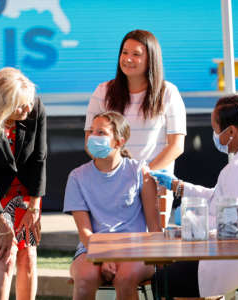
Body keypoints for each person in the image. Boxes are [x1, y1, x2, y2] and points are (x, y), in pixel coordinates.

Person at [151, 93, 238, 297]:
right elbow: (221, 197)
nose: (216, 136)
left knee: (164, 281)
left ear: (231, 131)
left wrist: (196, 228)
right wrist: (179, 187)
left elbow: (237, 224)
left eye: (216, 130)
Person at [84, 29, 186, 224]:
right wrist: (116, 174)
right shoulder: (102, 91)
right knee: (113, 242)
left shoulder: (168, 92)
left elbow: (176, 146)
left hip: (154, 181)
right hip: (113, 182)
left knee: (153, 244)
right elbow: (91, 142)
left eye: (136, 54)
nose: (128, 59)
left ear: (151, 59)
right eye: (124, 52)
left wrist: (142, 174)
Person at [64, 111, 161, 300]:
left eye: (101, 133)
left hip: (136, 250)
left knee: (125, 278)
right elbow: (85, 234)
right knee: (84, 279)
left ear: (119, 141)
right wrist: (104, 256)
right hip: (92, 249)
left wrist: (160, 257)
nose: (93, 137)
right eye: (91, 131)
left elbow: (154, 227)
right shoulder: (77, 176)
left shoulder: (140, 171)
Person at [0, 67, 47, 300]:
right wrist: (2, 223)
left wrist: (33, 206)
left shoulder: (35, 107)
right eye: (21, 105)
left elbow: (39, 157)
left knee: (28, 253)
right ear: (3, 104)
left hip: (25, 189)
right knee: (7, 254)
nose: (28, 108)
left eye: (29, 102)